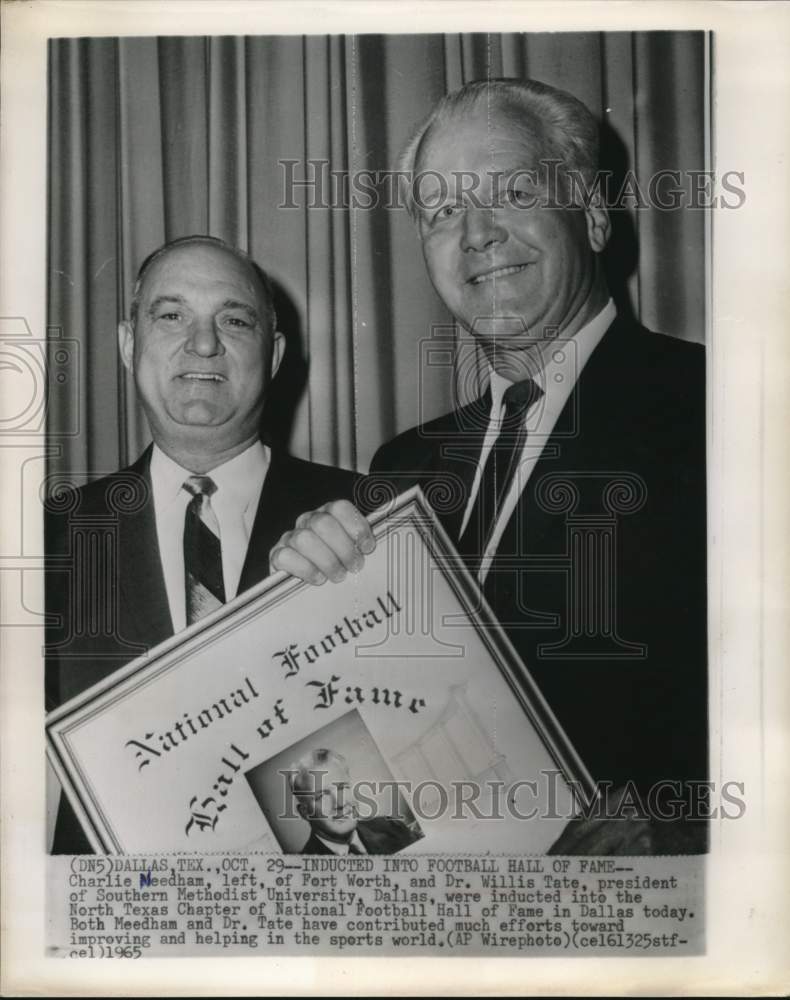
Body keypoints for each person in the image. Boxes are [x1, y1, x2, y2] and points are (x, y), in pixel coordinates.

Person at [270, 79, 708, 854]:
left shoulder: (722, 411)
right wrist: (292, 610)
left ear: (595, 215)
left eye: (511, 191)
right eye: (442, 213)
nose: (476, 233)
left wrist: (681, 818)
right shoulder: (402, 469)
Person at [45, 235, 362, 851]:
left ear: (272, 356)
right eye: (171, 316)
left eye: (233, 319)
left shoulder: (367, 517)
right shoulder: (42, 541)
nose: (204, 344)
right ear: (128, 344)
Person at [288, 749, 421, 855]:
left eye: (343, 787)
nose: (340, 804)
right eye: (322, 795)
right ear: (305, 812)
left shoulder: (391, 827)